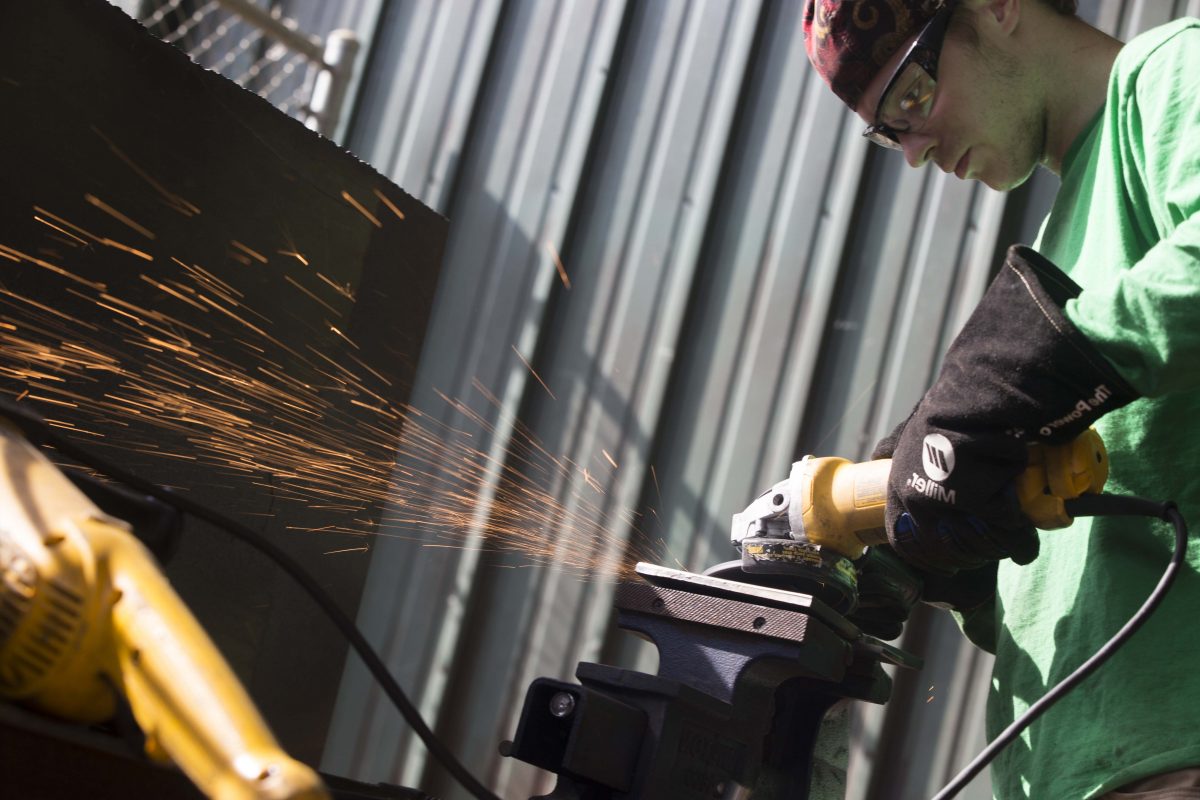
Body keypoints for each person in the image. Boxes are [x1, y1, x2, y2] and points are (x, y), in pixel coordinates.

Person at [803, 1, 1200, 798]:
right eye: (889, 134)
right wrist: (967, 564)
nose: (914, 153)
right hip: (1076, 770)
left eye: (912, 98)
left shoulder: (1169, 74)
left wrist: (1028, 377)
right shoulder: (1058, 249)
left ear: (995, 8)